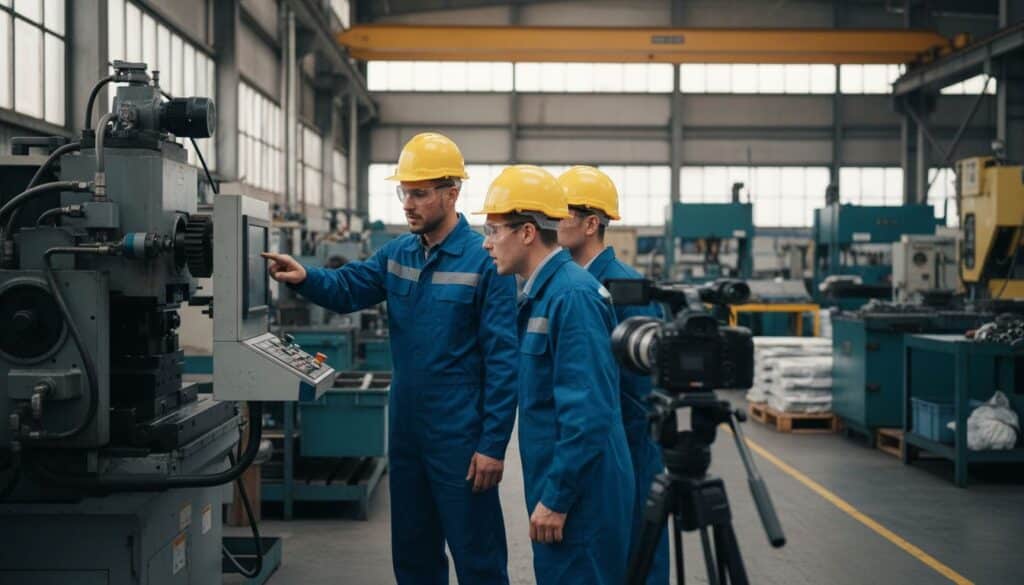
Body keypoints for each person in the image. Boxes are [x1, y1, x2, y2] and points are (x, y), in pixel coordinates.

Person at [262, 132, 518, 585]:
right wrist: (304, 277)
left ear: (451, 193)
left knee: (477, 555)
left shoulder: (484, 262)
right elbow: (348, 287)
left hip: (460, 433)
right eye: (404, 192)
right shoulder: (397, 254)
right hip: (406, 430)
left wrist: (492, 445)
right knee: (414, 555)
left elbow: (503, 361)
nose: (408, 203)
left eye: (419, 193)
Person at [475, 164, 633, 584]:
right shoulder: (543, 295)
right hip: (563, 484)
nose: (487, 244)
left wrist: (558, 498)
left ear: (527, 232)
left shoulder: (572, 296)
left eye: (493, 231)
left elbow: (588, 411)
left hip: (583, 495)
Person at [556, 166, 669, 584]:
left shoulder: (626, 287)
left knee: (640, 553)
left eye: (563, 212)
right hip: (596, 439)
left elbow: (643, 384)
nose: (554, 221)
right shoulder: (570, 284)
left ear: (591, 223)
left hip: (632, 443)